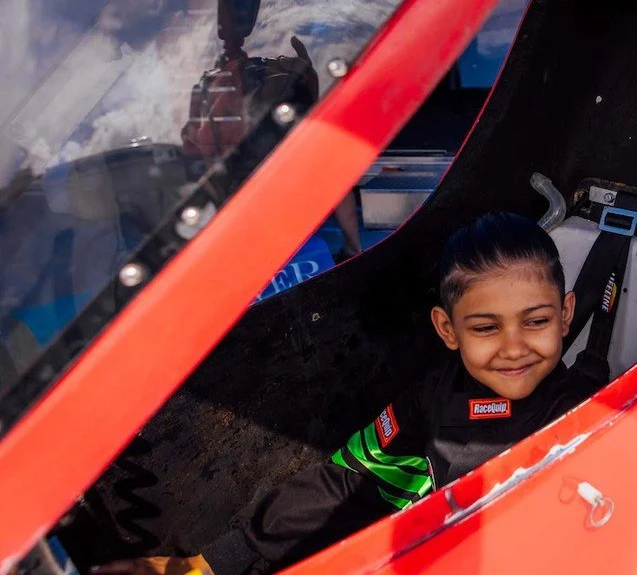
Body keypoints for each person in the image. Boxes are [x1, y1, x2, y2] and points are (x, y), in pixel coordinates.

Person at [95, 212, 605, 575]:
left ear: (565, 315)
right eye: (486, 328)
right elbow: (346, 480)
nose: (514, 348)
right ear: (448, 331)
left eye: (535, 322)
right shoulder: (431, 402)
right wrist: (216, 560)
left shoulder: (600, 411)